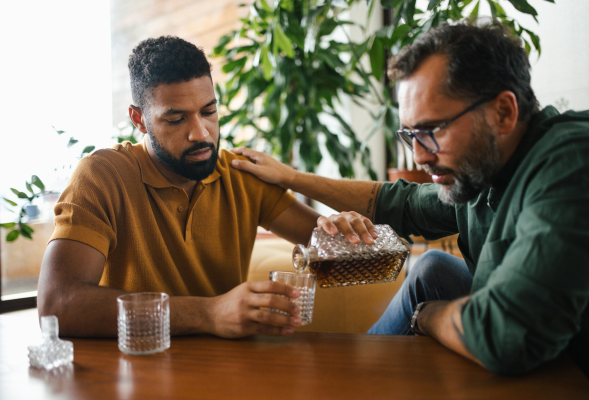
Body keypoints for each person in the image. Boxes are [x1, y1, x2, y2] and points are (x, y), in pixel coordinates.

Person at [230, 21, 589, 375]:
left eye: (432, 131)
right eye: (410, 134)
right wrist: (291, 178)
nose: (418, 156)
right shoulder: (485, 171)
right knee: (433, 268)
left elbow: (503, 336)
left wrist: (426, 315)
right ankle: (349, 381)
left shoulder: (570, 165)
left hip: (570, 370)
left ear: (504, 113)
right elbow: (400, 203)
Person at [37, 36, 323, 339]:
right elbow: (56, 306)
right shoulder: (101, 177)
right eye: (176, 119)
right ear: (139, 120)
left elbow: (338, 249)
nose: (201, 134)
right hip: (134, 373)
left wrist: (341, 226)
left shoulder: (242, 175)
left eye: (209, 111)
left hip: (231, 373)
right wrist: (209, 313)